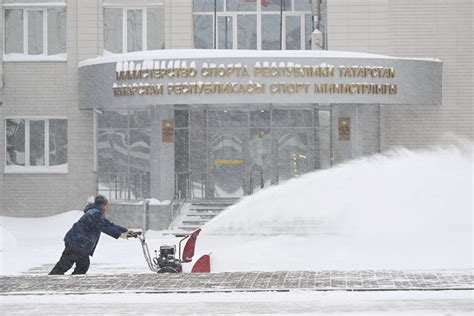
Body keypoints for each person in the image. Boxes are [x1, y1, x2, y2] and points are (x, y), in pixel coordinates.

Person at [49, 195, 138, 275]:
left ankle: (65, 281)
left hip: (78, 243)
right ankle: (53, 280)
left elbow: (109, 225)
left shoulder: (95, 213)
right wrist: (121, 234)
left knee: (78, 265)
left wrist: (127, 231)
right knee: (69, 265)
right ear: (102, 205)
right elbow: (105, 227)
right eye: (107, 206)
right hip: (77, 243)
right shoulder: (94, 214)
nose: (107, 208)